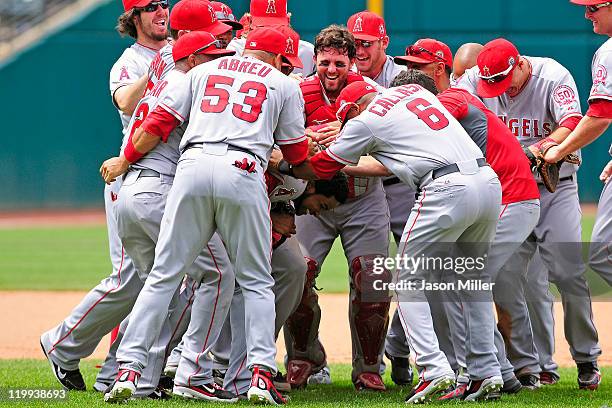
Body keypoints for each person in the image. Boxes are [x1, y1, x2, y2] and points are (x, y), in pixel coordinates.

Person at [102, 27, 308, 405]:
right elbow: (296, 154)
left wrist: (124, 159)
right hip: (244, 168)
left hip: (191, 165)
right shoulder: (284, 83)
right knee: (257, 280)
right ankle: (260, 377)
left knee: (163, 276)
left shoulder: (200, 72)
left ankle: (128, 372)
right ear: (279, 59)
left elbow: (157, 124)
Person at [284, 80, 505, 403]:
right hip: (486, 182)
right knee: (473, 280)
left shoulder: (364, 120)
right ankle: (487, 371)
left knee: (406, 280)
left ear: (354, 110)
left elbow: (323, 168)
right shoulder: (413, 92)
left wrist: (287, 162)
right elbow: (392, 157)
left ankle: (433, 369)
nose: (346, 129)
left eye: (346, 121)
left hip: (444, 188)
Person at [456, 37, 602, 390]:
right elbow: (449, 110)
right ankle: (527, 368)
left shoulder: (553, 76)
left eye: (504, 82)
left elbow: (571, 123)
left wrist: (539, 149)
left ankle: (586, 359)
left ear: (520, 63)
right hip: (506, 189)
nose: (498, 90)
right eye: (491, 83)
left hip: (555, 186)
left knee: (568, 272)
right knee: (506, 280)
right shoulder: (476, 79)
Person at [40, 0, 169, 396]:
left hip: (164, 178)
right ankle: (62, 344)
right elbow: (127, 101)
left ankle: (118, 368)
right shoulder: (129, 62)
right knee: (130, 278)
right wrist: (159, 67)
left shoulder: (179, 52)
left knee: (158, 280)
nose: (160, 10)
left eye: (164, 3)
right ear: (133, 18)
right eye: (149, 7)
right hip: (129, 175)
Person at [282, 25, 391, 392]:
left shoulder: (371, 94)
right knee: (298, 274)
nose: (332, 70)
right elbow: (279, 142)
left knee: (372, 278)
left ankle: (369, 367)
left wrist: (343, 140)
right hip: (313, 201)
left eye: (339, 63)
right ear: (315, 60)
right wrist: (309, 139)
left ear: (352, 62)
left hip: (364, 197)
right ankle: (304, 356)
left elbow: (390, 147)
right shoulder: (296, 92)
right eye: (325, 62)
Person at [544, 0, 612, 290]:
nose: (586, 14)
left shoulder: (609, 52)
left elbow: (600, 115)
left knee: (601, 252)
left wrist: (559, 149)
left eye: (593, 8)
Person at [227, 0, 315, 76]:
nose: (271, 32)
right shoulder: (236, 49)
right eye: (263, 26)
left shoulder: (308, 52)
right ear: (250, 21)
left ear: (288, 21)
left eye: (276, 27)